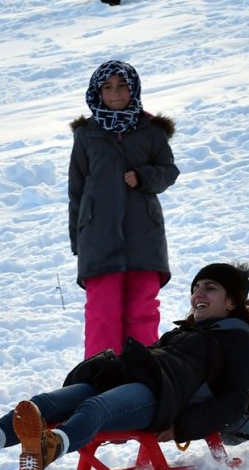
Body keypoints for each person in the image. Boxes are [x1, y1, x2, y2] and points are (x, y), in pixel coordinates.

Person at [0, 262, 249, 470]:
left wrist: (182, 426)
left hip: (165, 401)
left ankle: (51, 447)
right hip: (137, 381)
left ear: (231, 302)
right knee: (46, 403)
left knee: (95, 407)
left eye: (210, 288)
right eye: (196, 287)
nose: (198, 294)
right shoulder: (184, 334)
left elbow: (234, 400)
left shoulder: (238, 342)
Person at [69, 59, 178, 358]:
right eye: (107, 87)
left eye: (122, 86)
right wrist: (78, 240)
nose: (115, 94)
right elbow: (76, 190)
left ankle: (142, 384)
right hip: (98, 240)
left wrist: (144, 176)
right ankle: (97, 381)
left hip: (145, 239)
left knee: (142, 313)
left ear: (134, 89)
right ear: (97, 92)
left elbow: (169, 171)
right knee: (102, 315)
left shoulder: (151, 131)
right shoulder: (86, 135)